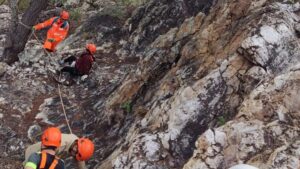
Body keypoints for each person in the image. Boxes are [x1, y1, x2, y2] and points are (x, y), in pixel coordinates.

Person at [25, 133, 94, 169]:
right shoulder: (60, 145)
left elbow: (79, 159)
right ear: (75, 147)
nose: (74, 155)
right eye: (75, 153)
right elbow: (41, 158)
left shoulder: (78, 144)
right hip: (33, 154)